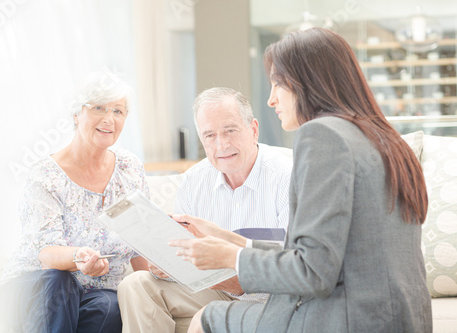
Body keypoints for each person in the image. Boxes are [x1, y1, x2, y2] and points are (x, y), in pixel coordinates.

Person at [169, 28, 432, 333]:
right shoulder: (382, 138)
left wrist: (231, 256)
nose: (271, 100)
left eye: (277, 84)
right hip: (399, 319)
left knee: (206, 317)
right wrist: (232, 240)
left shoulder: (323, 135)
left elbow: (313, 272)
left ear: (306, 83)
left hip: (346, 319)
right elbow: (325, 253)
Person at [117, 87, 293, 332]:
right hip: (215, 289)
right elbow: (181, 249)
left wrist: (237, 277)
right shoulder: (193, 181)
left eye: (230, 131)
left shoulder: (287, 177)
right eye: (210, 136)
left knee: (208, 315)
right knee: (136, 283)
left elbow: (297, 263)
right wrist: (166, 266)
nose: (221, 145)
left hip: (274, 298)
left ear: (253, 130)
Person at [0, 71, 149, 333]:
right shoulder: (46, 176)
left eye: (118, 111)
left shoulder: (130, 168)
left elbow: (141, 239)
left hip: (94, 292)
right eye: (98, 107)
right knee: (60, 280)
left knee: (110, 307)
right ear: (77, 114)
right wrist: (79, 256)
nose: (109, 118)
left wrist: (157, 277)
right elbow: (46, 252)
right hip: (35, 284)